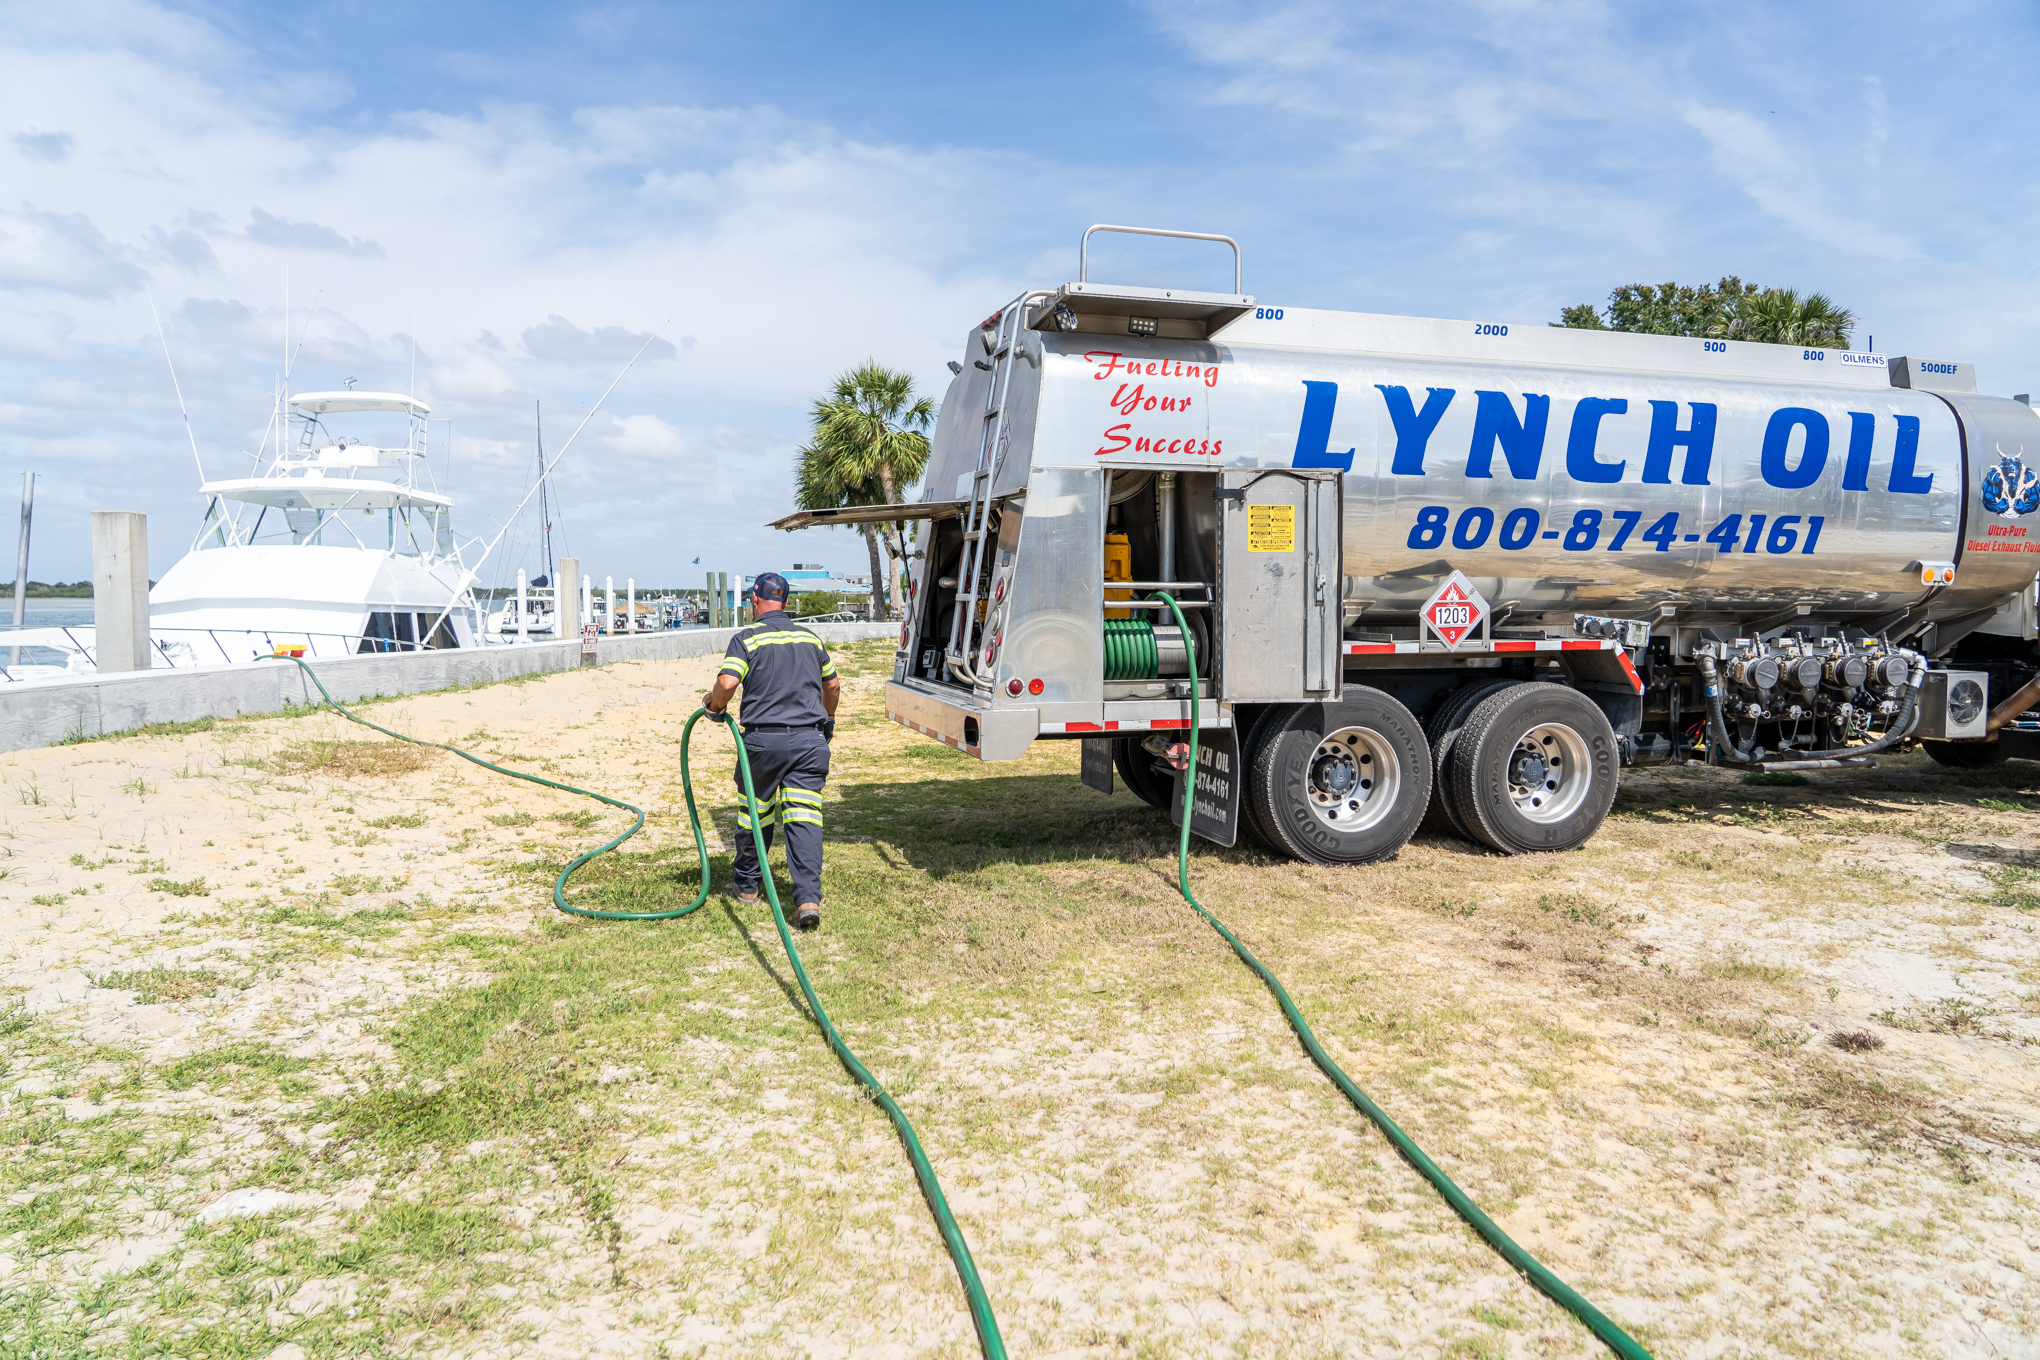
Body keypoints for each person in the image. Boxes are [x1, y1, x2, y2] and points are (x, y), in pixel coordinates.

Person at [701, 572, 840, 929]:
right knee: (804, 817)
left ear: (753, 601)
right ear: (787, 602)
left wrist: (713, 706)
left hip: (764, 743)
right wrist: (827, 719)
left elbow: (728, 682)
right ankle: (808, 899)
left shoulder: (747, 638)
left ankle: (748, 887)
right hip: (810, 742)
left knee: (755, 815)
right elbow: (833, 685)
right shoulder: (810, 639)